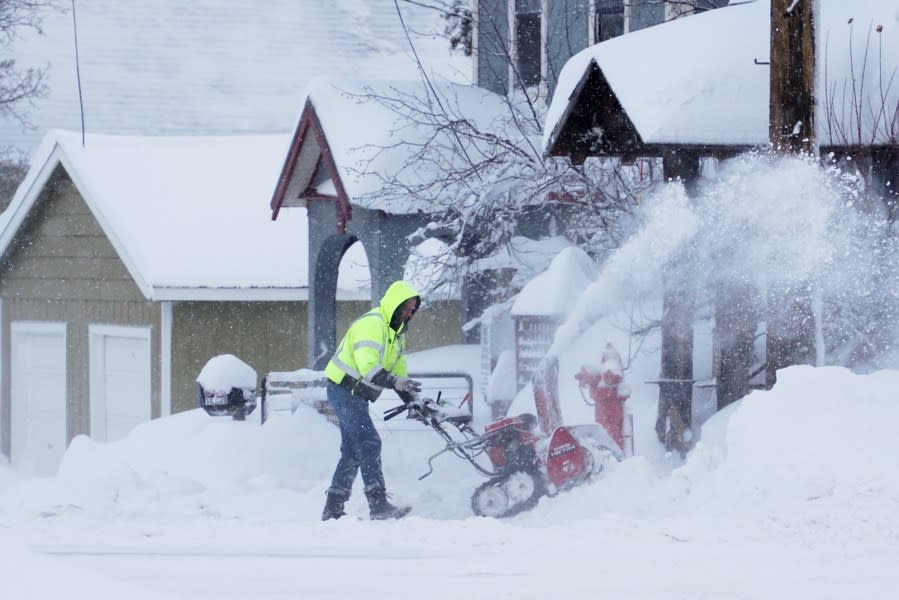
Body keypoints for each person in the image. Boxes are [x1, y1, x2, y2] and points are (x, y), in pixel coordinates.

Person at [321, 280, 423, 521]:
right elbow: (368, 367)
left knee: (352, 450)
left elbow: (399, 371)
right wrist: (396, 383)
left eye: (413, 309)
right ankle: (377, 505)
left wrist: (412, 399)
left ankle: (333, 508)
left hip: (356, 394)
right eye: (407, 307)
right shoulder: (372, 324)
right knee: (369, 442)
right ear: (395, 305)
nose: (410, 313)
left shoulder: (396, 334)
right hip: (343, 390)